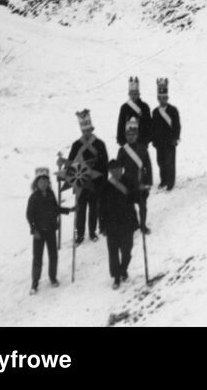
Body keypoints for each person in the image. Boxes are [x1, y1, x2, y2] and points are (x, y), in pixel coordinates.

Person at [65, 109, 109, 245]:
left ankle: (91, 231)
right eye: (84, 131)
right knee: (81, 209)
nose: (86, 133)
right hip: (81, 182)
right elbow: (71, 163)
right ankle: (80, 234)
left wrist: (102, 181)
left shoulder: (99, 144)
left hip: (95, 182)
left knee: (94, 208)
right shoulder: (76, 145)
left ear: (91, 129)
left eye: (88, 130)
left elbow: (104, 164)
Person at [25, 167, 71, 294]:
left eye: (46, 181)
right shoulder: (34, 197)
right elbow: (29, 215)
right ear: (36, 183)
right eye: (41, 182)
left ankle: (53, 277)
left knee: (53, 256)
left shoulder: (50, 194)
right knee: (37, 258)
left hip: (50, 230)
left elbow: (55, 209)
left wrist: (68, 210)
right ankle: (34, 283)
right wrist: (34, 230)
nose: (43, 184)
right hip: (39, 233)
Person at [98, 159, 139, 289]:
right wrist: (102, 225)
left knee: (127, 250)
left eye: (118, 169)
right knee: (113, 252)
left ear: (122, 169)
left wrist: (142, 193)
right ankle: (116, 277)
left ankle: (123, 269)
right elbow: (101, 208)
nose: (116, 172)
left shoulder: (129, 182)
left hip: (127, 221)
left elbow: (136, 198)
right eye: (113, 170)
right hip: (112, 224)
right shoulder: (105, 186)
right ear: (110, 171)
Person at [117, 116, 153, 236]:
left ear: (136, 135)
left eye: (133, 134)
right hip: (128, 182)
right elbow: (118, 168)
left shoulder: (142, 149)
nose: (130, 137)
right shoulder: (122, 150)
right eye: (128, 135)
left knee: (142, 206)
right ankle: (133, 225)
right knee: (129, 207)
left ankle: (143, 225)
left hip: (141, 181)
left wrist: (148, 182)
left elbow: (148, 166)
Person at [151, 77, 182, 191]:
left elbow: (177, 125)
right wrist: (153, 140)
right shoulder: (155, 112)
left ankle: (170, 182)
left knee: (170, 163)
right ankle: (163, 180)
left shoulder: (173, 110)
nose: (162, 100)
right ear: (158, 98)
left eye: (164, 98)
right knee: (161, 162)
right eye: (160, 98)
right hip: (159, 142)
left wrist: (176, 138)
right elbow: (152, 127)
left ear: (167, 98)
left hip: (170, 141)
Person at [116, 77, 151, 149]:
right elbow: (121, 125)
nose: (133, 96)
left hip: (142, 144)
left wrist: (146, 141)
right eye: (132, 93)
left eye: (135, 94)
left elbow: (149, 125)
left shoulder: (145, 107)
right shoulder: (124, 107)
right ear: (129, 94)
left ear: (139, 94)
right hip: (127, 144)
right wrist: (121, 141)